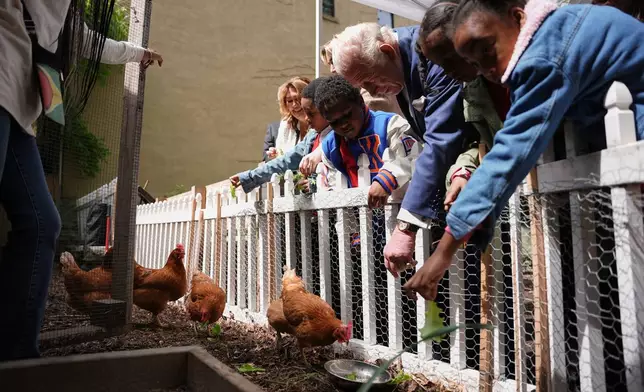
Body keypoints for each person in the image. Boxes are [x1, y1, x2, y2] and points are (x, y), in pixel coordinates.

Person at [404, 0, 644, 300]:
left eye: (487, 48)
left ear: (518, 17)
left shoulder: (543, 56)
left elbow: (510, 151)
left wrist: (443, 252)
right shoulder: (557, 29)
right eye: (475, 63)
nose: (487, 68)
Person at [0, 0, 156, 361]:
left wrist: (138, 53)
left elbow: (87, 40)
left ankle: (17, 358)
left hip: (18, 110)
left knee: (42, 224)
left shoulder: (67, 15)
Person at [328, 23, 477, 277]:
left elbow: (441, 139)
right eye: (363, 87)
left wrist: (406, 226)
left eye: (370, 80)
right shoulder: (398, 70)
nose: (373, 92)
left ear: (386, 50)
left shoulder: (432, 54)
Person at [416, 1, 510, 212]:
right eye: (440, 66)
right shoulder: (472, 91)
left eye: (451, 58)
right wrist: (462, 172)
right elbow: (483, 144)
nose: (448, 72)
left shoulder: (520, 69)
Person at [316, 75, 419, 209]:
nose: (343, 125)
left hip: (400, 213)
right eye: (335, 122)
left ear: (360, 101)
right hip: (362, 221)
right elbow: (338, 196)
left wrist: (387, 178)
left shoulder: (391, 125)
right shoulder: (330, 148)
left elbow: (413, 156)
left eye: (347, 115)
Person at [230, 77, 332, 193]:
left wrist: (316, 184)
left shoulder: (339, 135)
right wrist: (250, 177)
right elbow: (286, 161)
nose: (307, 118)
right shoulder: (312, 135)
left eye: (311, 113)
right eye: (289, 101)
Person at [273, 76, 311, 156]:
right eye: (289, 101)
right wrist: (276, 154)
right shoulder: (286, 124)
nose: (294, 104)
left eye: (298, 99)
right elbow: (281, 156)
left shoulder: (320, 123)